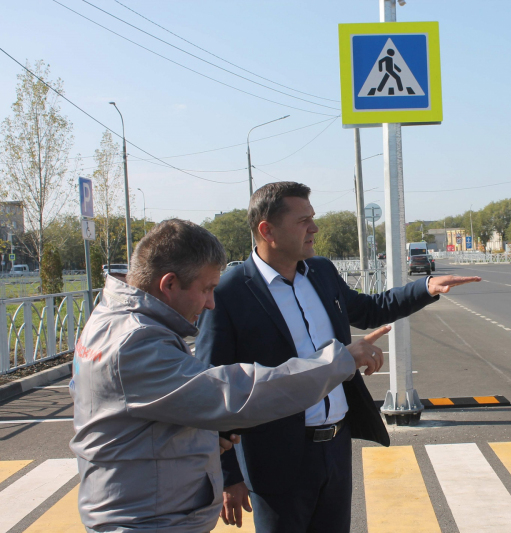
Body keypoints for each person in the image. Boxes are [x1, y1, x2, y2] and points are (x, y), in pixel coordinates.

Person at [69, 219, 388, 533]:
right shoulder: (135, 342)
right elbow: (239, 394)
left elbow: (135, 415)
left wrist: (199, 434)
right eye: (206, 289)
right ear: (168, 284)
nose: (210, 303)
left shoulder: (112, 320)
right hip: (147, 521)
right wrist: (338, 361)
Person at [196, 182, 481, 532]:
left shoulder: (322, 273)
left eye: (312, 218)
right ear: (267, 230)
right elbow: (213, 387)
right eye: (303, 221)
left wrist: (425, 288)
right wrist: (228, 476)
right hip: (275, 461)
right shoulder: (228, 293)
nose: (314, 228)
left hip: (335, 450)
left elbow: (369, 309)